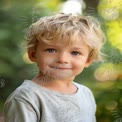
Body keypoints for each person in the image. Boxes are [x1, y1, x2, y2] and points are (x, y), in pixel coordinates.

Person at [4, 13, 106, 122]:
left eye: (75, 52)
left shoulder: (86, 94)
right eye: (51, 50)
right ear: (33, 55)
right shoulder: (26, 98)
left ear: (88, 60)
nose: (63, 59)